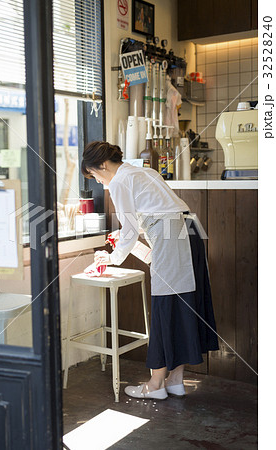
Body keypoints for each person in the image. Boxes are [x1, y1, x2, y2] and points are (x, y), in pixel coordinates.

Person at [81, 141, 219, 400]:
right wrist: (123, 240)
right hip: (189, 234)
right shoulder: (144, 171)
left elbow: (132, 231)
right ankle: (175, 380)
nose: (99, 183)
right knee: (182, 305)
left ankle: (156, 385)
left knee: (165, 306)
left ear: (100, 165)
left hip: (173, 238)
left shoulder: (121, 181)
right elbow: (156, 216)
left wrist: (111, 258)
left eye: (95, 176)